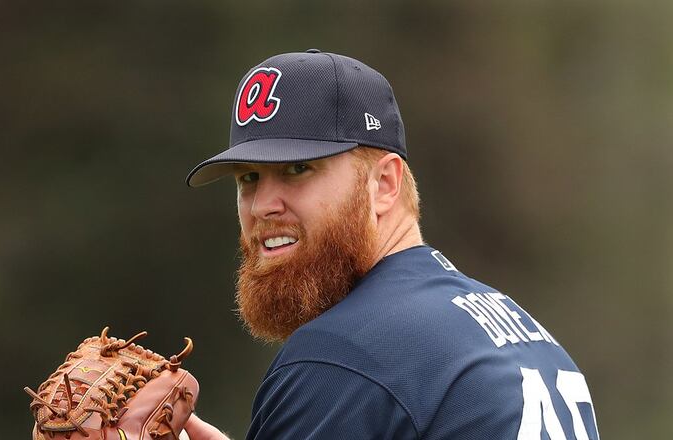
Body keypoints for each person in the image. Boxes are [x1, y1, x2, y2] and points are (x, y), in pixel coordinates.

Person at [183, 50, 599, 440]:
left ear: (384, 184)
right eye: (248, 178)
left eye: (297, 168)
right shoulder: (529, 337)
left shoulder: (341, 358)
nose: (262, 206)